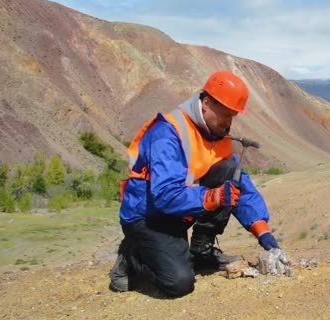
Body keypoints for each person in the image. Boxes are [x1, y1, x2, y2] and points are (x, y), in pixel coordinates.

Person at [109, 70, 282, 297]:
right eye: (225, 115)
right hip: (147, 216)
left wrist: (262, 231)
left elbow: (240, 185)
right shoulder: (167, 133)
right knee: (179, 283)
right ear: (207, 103)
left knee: (231, 171)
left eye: (233, 116)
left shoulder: (215, 135)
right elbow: (165, 195)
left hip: (178, 212)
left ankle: (201, 252)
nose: (229, 123)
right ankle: (131, 257)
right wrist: (213, 197)